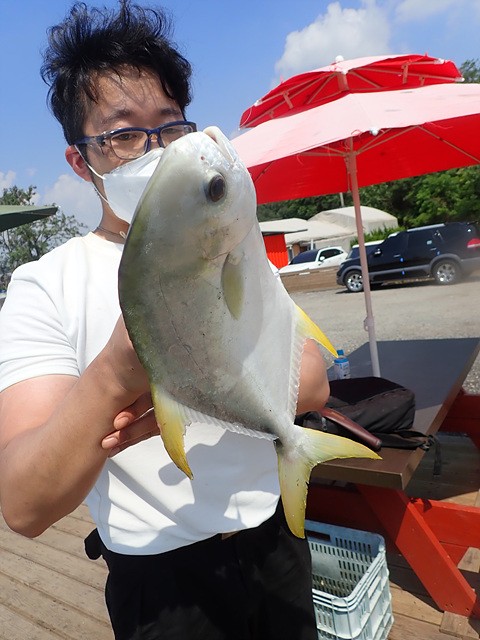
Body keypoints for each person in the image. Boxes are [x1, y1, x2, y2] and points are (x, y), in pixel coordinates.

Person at [0, 2, 330, 639]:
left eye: (170, 126)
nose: (156, 150)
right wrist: (119, 371)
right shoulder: (45, 284)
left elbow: (314, 379)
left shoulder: (228, 247)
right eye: (123, 134)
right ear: (80, 161)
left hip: (276, 543)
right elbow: (24, 503)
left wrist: (192, 395)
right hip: (161, 581)